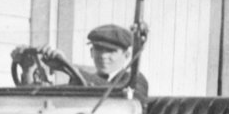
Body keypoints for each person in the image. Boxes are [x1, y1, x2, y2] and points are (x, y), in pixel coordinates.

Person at [12, 24, 149, 99]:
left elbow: (115, 96)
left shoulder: (134, 80)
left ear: (127, 55)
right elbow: (40, 99)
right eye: (98, 49)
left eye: (111, 51)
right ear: (91, 52)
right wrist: (28, 70)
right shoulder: (81, 79)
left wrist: (66, 67)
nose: (103, 56)